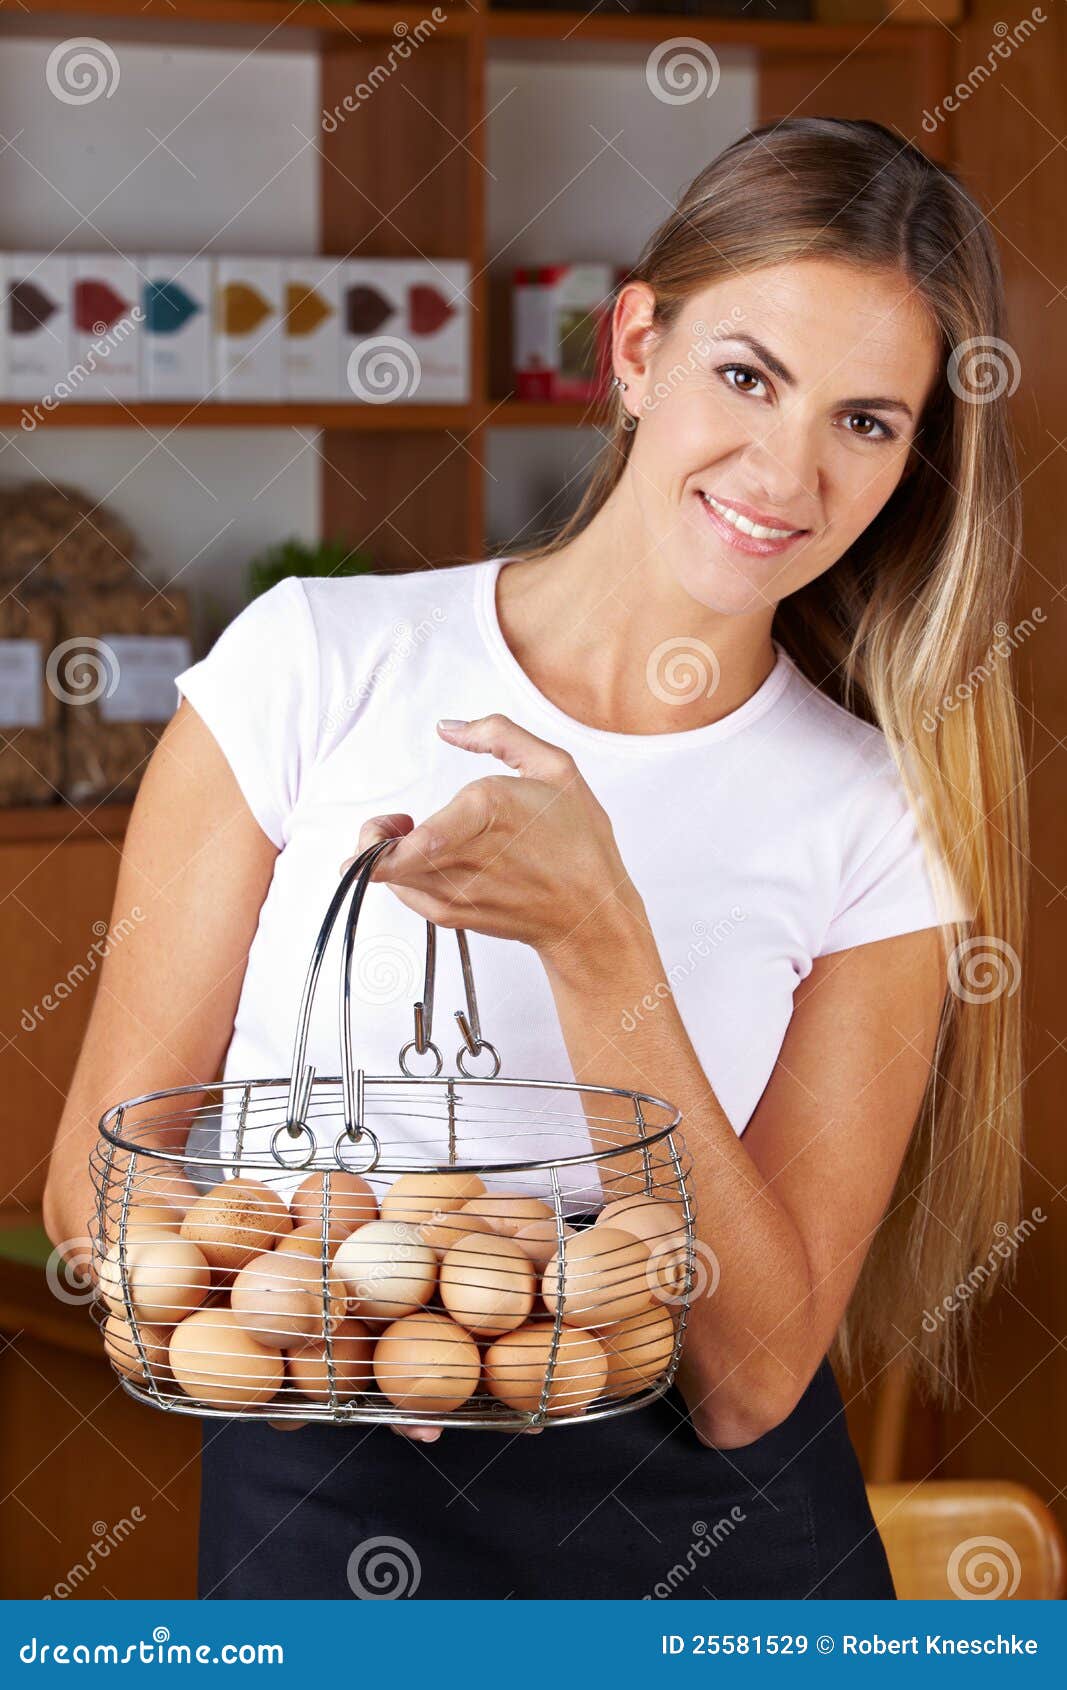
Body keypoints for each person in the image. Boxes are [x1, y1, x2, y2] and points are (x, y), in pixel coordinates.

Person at [45, 117, 1027, 1600]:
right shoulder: (315, 665)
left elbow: (754, 1378)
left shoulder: (872, 813)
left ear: (910, 460)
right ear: (636, 346)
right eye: (746, 376)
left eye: (866, 420)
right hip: (323, 1523)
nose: (787, 466)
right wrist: (345, 1312)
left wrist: (599, 945)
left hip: (714, 1573)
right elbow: (94, 1198)